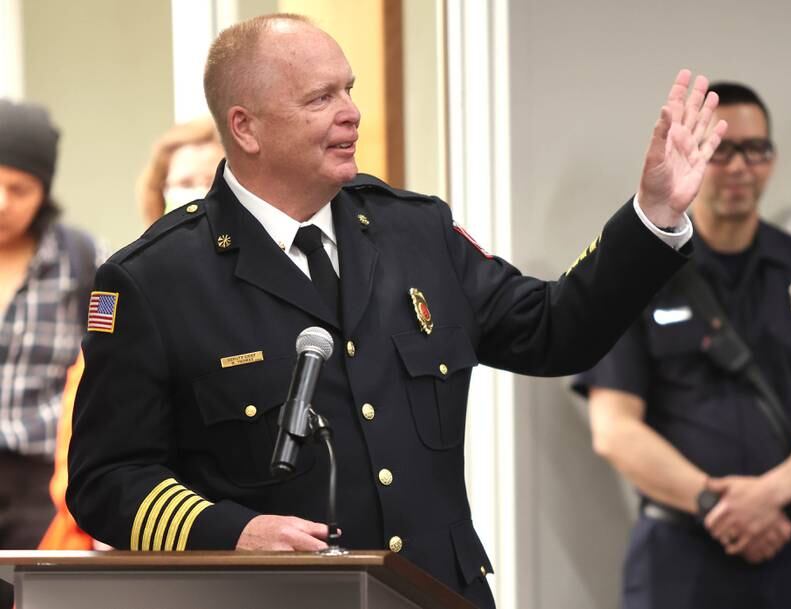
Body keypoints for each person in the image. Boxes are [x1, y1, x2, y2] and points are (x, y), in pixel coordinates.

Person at [66, 14, 725, 609]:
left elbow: (553, 332)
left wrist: (654, 217)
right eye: (321, 98)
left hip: (435, 592)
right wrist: (230, 530)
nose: (351, 112)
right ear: (246, 126)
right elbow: (107, 478)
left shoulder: (415, 230)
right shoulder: (154, 278)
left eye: (348, 88)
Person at [572, 82, 791, 609]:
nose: (740, 166)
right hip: (680, 561)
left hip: (790, 545)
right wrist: (716, 504)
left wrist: (770, 496)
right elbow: (615, 431)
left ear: (772, 159)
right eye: (722, 150)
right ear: (694, 155)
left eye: (756, 150)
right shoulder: (638, 271)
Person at [39, 117, 224, 551]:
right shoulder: (120, 279)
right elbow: (83, 433)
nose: (194, 191)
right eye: (181, 181)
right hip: (121, 540)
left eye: (208, 178)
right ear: (158, 193)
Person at [0, 99, 101, 550]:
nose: (2, 203)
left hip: (41, 482)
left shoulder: (80, 258)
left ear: (44, 192)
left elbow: (106, 363)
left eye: (19, 189)